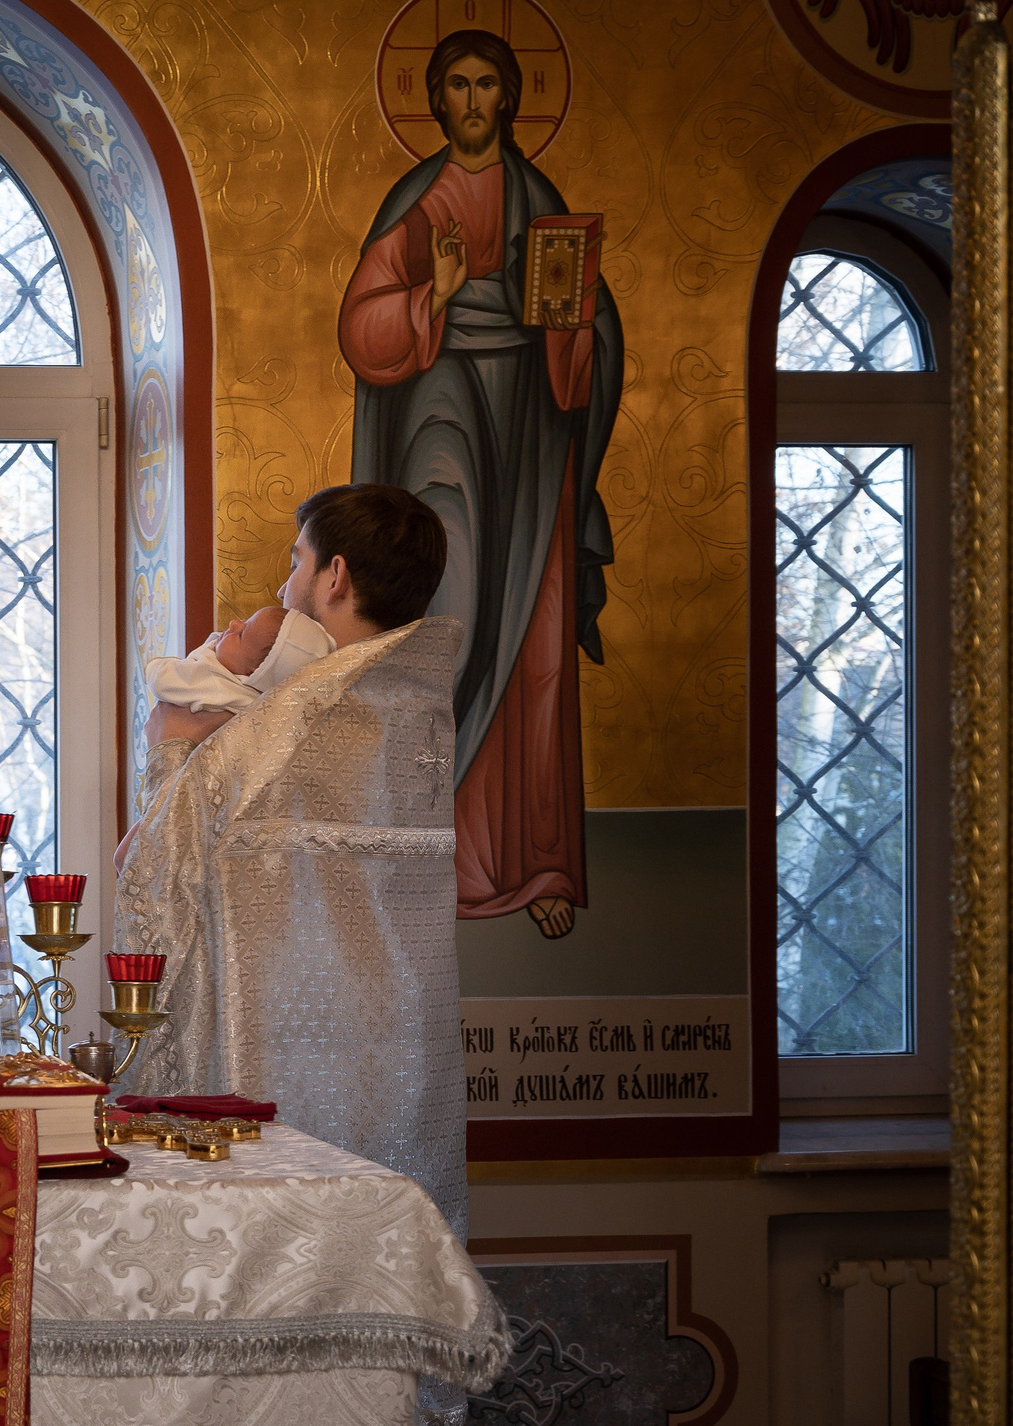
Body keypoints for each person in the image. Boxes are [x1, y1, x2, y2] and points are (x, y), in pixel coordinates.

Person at [118, 481, 503, 1426]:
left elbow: (169, 847)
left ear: (335, 577)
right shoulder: (411, 692)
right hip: (396, 1078)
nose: (284, 579)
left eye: (296, 559)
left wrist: (183, 737)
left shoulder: (314, 708)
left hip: (281, 1079)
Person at [340, 28, 624, 941]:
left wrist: (572, 321)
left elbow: (589, 334)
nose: (471, 101)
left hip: (531, 440)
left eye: (488, 86)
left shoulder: (539, 200)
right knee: (445, 624)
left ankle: (536, 858)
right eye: (456, 85)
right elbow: (362, 323)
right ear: (436, 97)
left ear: (509, 100)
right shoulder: (420, 202)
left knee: (535, 641)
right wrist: (433, 295)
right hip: (441, 430)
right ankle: (429, 850)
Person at [140, 602, 339, 716]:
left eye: (241, 635)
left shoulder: (217, 683)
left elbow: (162, 680)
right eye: (244, 620)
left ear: (253, 672)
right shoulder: (260, 700)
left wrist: (153, 667)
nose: (234, 624)